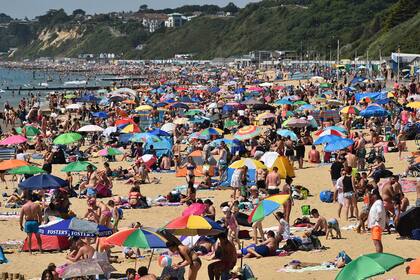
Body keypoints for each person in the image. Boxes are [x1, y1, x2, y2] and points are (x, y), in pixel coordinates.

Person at [368, 189, 386, 253]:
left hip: (376, 225)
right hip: (375, 225)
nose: (371, 197)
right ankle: (379, 255)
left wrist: (377, 219)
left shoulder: (378, 202)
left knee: (377, 241)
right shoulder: (377, 202)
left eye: (372, 195)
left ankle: (379, 255)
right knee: (376, 241)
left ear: (375, 195)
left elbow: (379, 211)